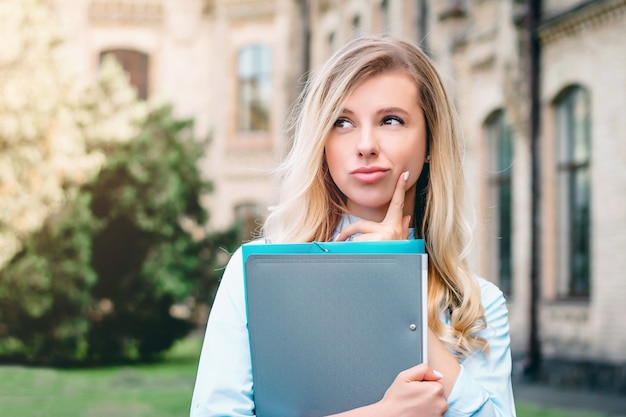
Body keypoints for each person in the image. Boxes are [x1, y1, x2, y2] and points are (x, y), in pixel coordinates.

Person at [190, 34, 516, 417]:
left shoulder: (476, 303)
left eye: (390, 120)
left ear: (430, 142)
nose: (365, 144)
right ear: (322, 143)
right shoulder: (255, 276)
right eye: (342, 122)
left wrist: (393, 288)